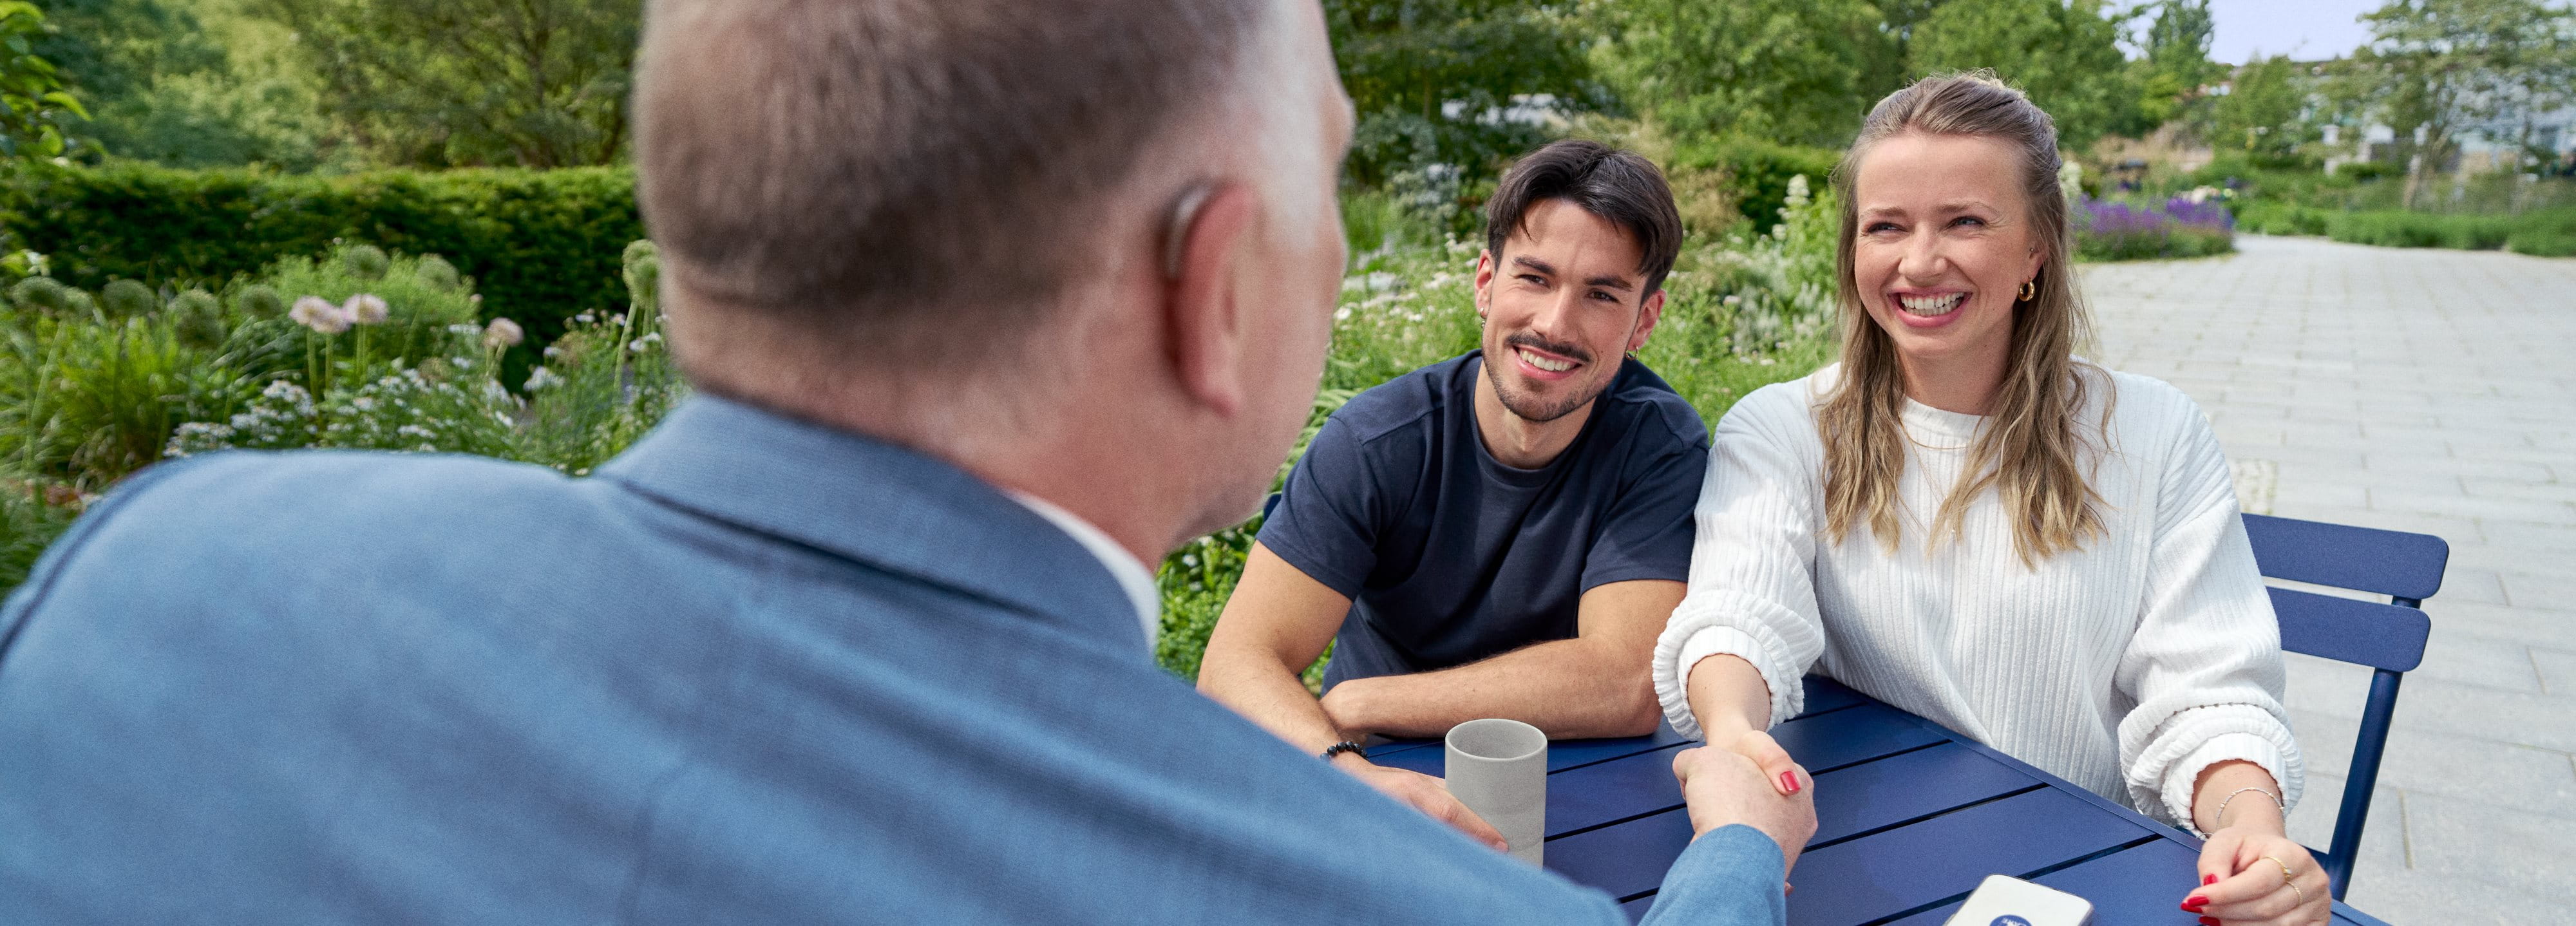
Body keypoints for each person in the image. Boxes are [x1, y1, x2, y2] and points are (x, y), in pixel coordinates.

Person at [0, 1, 1814, 922]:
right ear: (1210, 288)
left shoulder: (154, 570)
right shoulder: (1334, 885)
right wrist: (1734, 845)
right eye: (1321, 185)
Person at [1651, 72, 2328, 926]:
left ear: (2037, 249)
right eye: (1885, 226)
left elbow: (2208, 692)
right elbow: (1737, 616)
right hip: (1867, 854)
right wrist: (1734, 732)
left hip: (2085, 870)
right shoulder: (1784, 426)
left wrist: (2252, 827)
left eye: (1965, 221)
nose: (1919, 260)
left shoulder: (2154, 431)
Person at [1197, 139, 1708, 841]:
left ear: (1644, 321)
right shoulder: (1375, 442)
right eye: (1534, 278)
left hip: (1584, 787)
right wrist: (1346, 768)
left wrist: (1362, 698)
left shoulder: (1658, 447)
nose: (1555, 325)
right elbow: (1234, 662)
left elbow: (1623, 684)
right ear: (1485, 283)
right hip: (1377, 774)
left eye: (1601, 294)